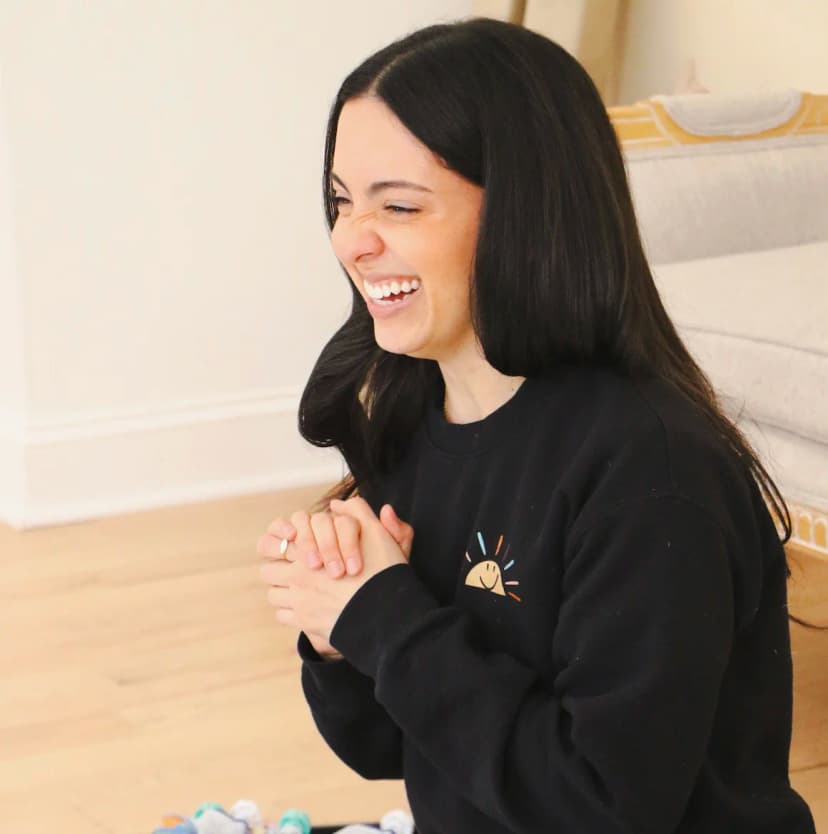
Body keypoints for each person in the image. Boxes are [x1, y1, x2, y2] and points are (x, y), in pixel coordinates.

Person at [256, 17, 817, 834]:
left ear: (526, 213)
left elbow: (604, 808)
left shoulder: (650, 475)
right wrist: (342, 630)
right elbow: (389, 746)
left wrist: (385, 615)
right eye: (342, 202)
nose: (352, 240)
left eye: (400, 207)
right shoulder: (415, 425)